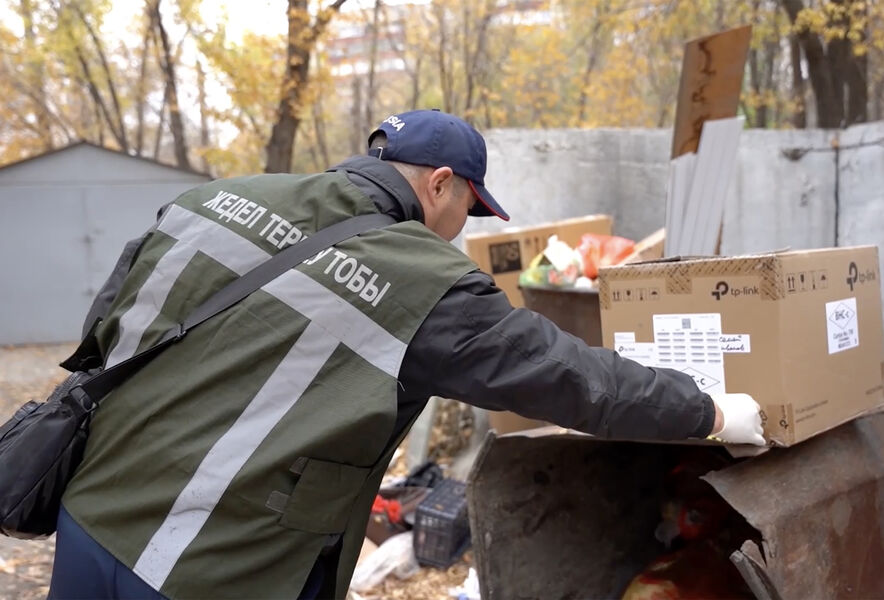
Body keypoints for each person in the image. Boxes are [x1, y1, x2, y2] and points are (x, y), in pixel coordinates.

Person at [48, 109, 763, 600]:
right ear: (440, 183)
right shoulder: (421, 278)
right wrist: (710, 411)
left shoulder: (216, 199)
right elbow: (572, 378)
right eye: (470, 209)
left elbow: (108, 327)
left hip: (93, 514)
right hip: (211, 567)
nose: (460, 229)